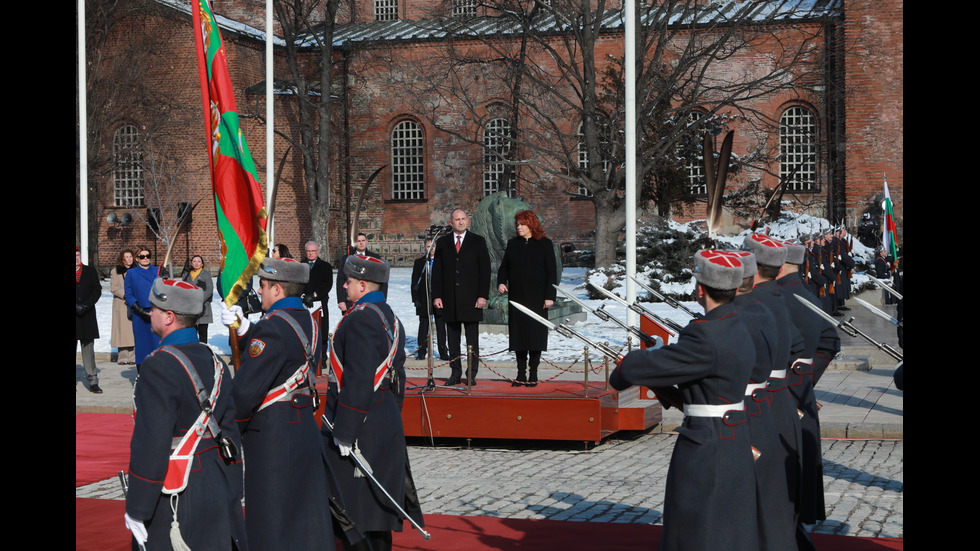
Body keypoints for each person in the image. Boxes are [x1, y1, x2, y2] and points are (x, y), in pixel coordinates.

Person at [609, 250, 758, 551]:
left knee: (695, 526)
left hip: (707, 441)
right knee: (729, 525)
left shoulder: (706, 334)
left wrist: (629, 364)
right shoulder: (738, 324)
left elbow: (637, 369)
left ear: (700, 288)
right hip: (734, 435)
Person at [124, 278, 246, 550]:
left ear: (169, 317)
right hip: (217, 482)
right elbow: (229, 433)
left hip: (178, 492)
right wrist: (233, 487)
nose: (150, 312)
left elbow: (151, 444)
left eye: (154, 308)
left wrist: (138, 508)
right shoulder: (215, 360)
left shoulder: (158, 366)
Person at [221, 257, 334, 550]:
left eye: (263, 285)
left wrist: (228, 429)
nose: (259, 290)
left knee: (270, 519)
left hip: (272, 437)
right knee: (302, 512)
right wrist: (247, 330)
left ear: (278, 290)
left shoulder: (272, 327)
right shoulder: (308, 320)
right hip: (302, 427)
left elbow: (246, 392)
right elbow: (284, 356)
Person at [325, 255, 423, 551]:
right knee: (373, 510)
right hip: (381, 414)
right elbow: (398, 375)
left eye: (349, 281)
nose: (344, 286)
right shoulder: (388, 314)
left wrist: (345, 431)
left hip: (361, 424)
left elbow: (359, 378)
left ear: (363, 285)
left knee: (357, 509)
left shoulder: (360, 318)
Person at [776, 238, 841, 527]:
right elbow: (829, 342)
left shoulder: (773, 300)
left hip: (774, 402)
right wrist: (804, 382)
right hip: (799, 398)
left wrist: (791, 385)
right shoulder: (809, 297)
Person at [496, 210, 557, 387]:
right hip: (518, 297)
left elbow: (551, 272)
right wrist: (501, 282)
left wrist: (549, 296)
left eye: (522, 224)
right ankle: (521, 373)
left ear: (531, 224)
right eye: (517, 225)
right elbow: (504, 268)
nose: (519, 227)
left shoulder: (545, 244)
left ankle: (534, 373)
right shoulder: (513, 244)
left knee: (535, 336)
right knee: (519, 336)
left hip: (538, 298)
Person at [432, 209, 491, 386]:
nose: (461, 222)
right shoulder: (443, 242)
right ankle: (455, 373)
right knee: (453, 339)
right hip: (450, 300)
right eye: (457, 219)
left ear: (467, 221)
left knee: (472, 340)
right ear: (451, 222)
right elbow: (437, 272)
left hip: (472, 300)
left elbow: (485, 270)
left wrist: (482, 296)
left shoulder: (477, 241)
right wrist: (437, 296)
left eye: (463, 219)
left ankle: (471, 374)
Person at [411, 237, 448, 360]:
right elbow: (414, 282)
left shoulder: (441, 261)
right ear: (424, 248)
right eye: (428, 246)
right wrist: (415, 299)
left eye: (433, 246)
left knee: (441, 325)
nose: (431, 249)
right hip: (424, 297)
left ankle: (443, 351)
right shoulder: (420, 262)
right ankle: (422, 350)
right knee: (423, 325)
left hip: (439, 298)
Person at [125, 246, 161, 370]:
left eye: (148, 256)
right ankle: (141, 376)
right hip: (139, 314)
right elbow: (128, 295)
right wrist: (139, 310)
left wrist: (164, 277)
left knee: (157, 345)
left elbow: (165, 290)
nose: (145, 258)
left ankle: (158, 376)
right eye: (142, 256)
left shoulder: (158, 270)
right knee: (142, 346)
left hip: (156, 313)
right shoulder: (131, 273)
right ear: (136, 259)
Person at [76, 246, 102, 394]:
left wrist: (86, 305)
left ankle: (93, 381)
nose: (76, 258)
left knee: (88, 351)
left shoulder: (90, 272)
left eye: (78, 255)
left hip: (87, 315)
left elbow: (97, 290)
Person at [336, 233, 384, 312]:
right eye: (358, 241)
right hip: (351, 300)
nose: (361, 243)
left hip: (371, 299)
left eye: (363, 240)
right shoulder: (346, 258)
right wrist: (341, 300)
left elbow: (382, 280)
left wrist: (382, 298)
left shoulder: (375, 258)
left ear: (367, 242)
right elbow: (341, 279)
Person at [303, 240, 334, 343]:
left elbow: (327, 284)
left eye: (313, 251)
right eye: (308, 251)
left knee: (321, 330)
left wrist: (314, 295)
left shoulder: (325, 266)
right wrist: (303, 296)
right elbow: (297, 283)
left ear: (318, 252)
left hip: (320, 302)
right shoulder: (301, 265)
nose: (310, 253)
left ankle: (322, 356)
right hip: (304, 302)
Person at [110, 248, 136, 365]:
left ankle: (133, 357)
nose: (129, 259)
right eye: (127, 257)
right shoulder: (115, 271)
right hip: (121, 303)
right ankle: (122, 357)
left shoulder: (137, 270)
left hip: (135, 302)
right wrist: (126, 295)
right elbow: (114, 288)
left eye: (131, 256)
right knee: (122, 331)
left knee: (133, 330)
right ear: (122, 259)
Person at [181, 255, 214, 343]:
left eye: (199, 261)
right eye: (194, 261)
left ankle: (203, 351)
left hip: (203, 307)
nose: (196, 263)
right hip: (190, 308)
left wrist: (199, 300)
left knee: (203, 333)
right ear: (191, 263)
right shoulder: (186, 275)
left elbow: (209, 290)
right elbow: (182, 289)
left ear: (202, 264)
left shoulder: (206, 274)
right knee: (191, 333)